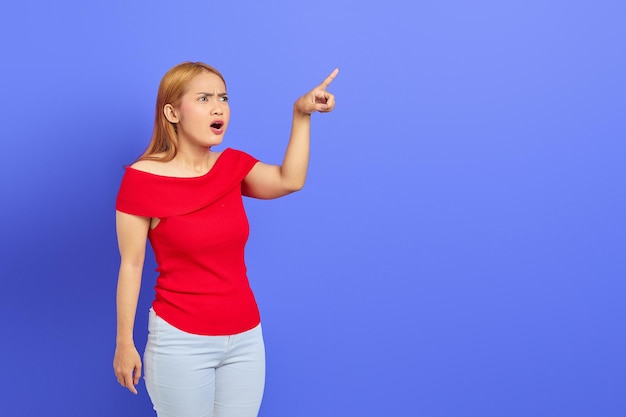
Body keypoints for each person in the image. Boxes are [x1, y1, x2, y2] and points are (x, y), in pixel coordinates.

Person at [112, 61, 337, 417]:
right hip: (180, 340)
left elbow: (289, 180)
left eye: (223, 97)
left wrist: (301, 114)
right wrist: (124, 342)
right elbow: (132, 264)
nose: (218, 107)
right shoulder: (142, 180)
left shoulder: (232, 167)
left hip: (246, 338)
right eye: (203, 98)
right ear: (172, 112)